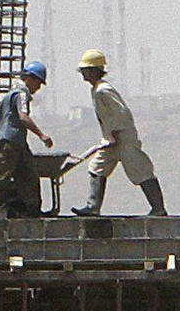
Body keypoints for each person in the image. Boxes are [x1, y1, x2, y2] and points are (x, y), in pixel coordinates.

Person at [70, 49, 167, 216]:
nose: (83, 74)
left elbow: (122, 113)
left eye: (86, 70)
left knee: (140, 169)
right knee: (97, 167)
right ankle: (93, 207)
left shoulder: (103, 90)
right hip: (111, 138)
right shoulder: (96, 89)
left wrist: (115, 133)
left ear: (94, 71)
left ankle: (158, 208)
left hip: (122, 137)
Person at [0, 61, 53, 216]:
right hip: (10, 143)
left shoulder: (12, 93)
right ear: (30, 79)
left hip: (18, 143)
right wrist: (41, 135)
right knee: (0, 177)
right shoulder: (21, 94)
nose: (38, 88)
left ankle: (33, 210)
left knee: (29, 176)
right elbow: (23, 117)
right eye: (38, 83)